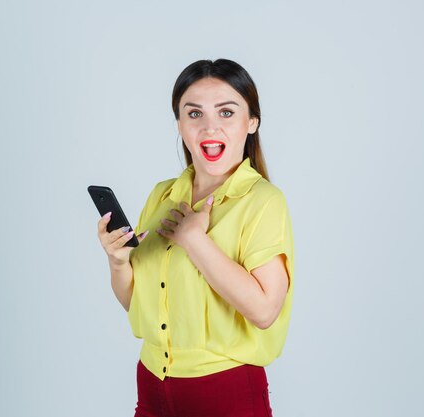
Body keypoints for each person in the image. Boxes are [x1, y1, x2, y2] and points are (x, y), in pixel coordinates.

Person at [96, 58, 294, 417]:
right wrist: (118, 262)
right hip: (152, 384)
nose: (209, 128)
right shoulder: (162, 196)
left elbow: (265, 311)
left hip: (224, 393)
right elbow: (138, 304)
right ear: (179, 124)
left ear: (252, 122)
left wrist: (196, 241)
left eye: (226, 112)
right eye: (194, 114)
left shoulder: (263, 202)